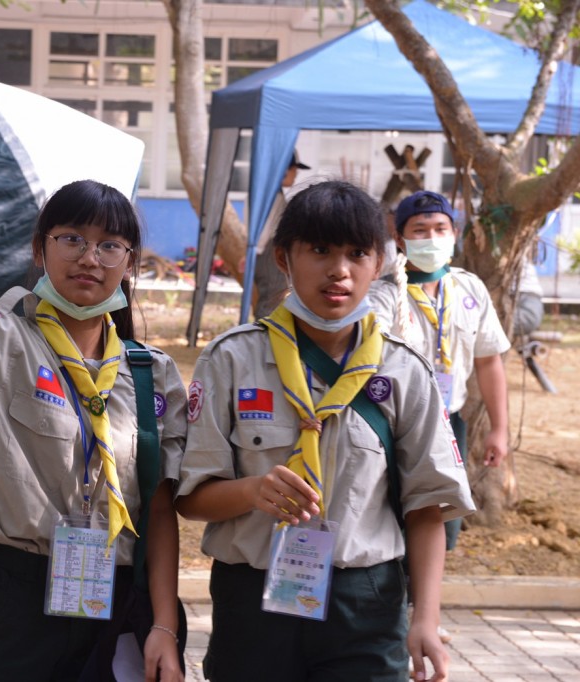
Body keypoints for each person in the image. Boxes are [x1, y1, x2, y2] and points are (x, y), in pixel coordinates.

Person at [0, 133, 187, 682]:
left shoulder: (151, 374)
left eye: (109, 245)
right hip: (9, 596)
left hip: (113, 595)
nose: (89, 258)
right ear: (39, 248)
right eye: (71, 238)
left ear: (130, 263)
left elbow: (161, 508)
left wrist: (165, 624)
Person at [176, 180, 474, 682]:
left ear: (379, 264)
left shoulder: (403, 370)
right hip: (253, 600)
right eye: (319, 250)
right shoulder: (232, 359)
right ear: (283, 258)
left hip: (365, 602)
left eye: (357, 253)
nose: (339, 270)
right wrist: (252, 490)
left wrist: (425, 617)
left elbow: (427, 507)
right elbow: (191, 498)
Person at [370, 190, 510, 554]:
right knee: (392, 519)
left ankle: (421, 602)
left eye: (439, 228)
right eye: (419, 230)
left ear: (454, 232)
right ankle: (397, 602)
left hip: (449, 424)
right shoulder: (382, 295)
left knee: (442, 522)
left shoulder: (470, 288)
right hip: (394, 425)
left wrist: (499, 428)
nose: (431, 238)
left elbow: (488, 360)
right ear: (399, 238)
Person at [252, 150, 309, 320]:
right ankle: (263, 341)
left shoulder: (265, 193)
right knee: (270, 300)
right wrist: (255, 251)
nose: (296, 173)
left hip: (266, 250)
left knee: (273, 298)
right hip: (268, 251)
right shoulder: (271, 197)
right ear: (283, 170)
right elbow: (262, 230)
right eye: (294, 169)